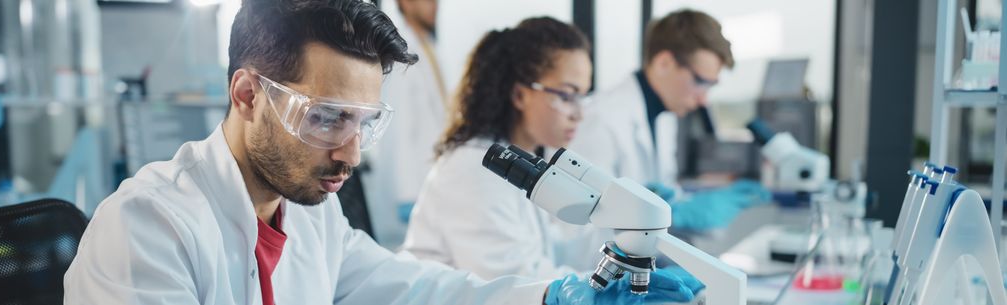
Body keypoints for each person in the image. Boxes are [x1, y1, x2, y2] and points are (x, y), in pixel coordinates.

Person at [63, 0, 697, 304]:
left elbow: (423, 291)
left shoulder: (310, 214)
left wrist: (556, 298)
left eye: (364, 122)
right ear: (247, 92)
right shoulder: (148, 228)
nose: (350, 153)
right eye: (328, 118)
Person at [404, 17, 645, 281]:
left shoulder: (525, 160)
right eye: (566, 96)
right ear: (520, 95)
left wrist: (623, 226)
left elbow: (553, 251)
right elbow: (515, 283)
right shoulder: (475, 169)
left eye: (582, 96)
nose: (579, 114)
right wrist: (608, 288)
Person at [569, 9, 769, 231]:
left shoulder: (666, 118)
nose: (704, 100)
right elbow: (577, 228)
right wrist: (655, 216)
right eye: (700, 82)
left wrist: (679, 205)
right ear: (664, 62)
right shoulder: (600, 119)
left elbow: (665, 192)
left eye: (710, 86)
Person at [365, 0, 447, 248]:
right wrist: (407, 195)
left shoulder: (429, 46)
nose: (435, 5)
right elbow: (396, 129)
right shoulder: (399, 50)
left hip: (431, 182)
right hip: (410, 191)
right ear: (405, 3)